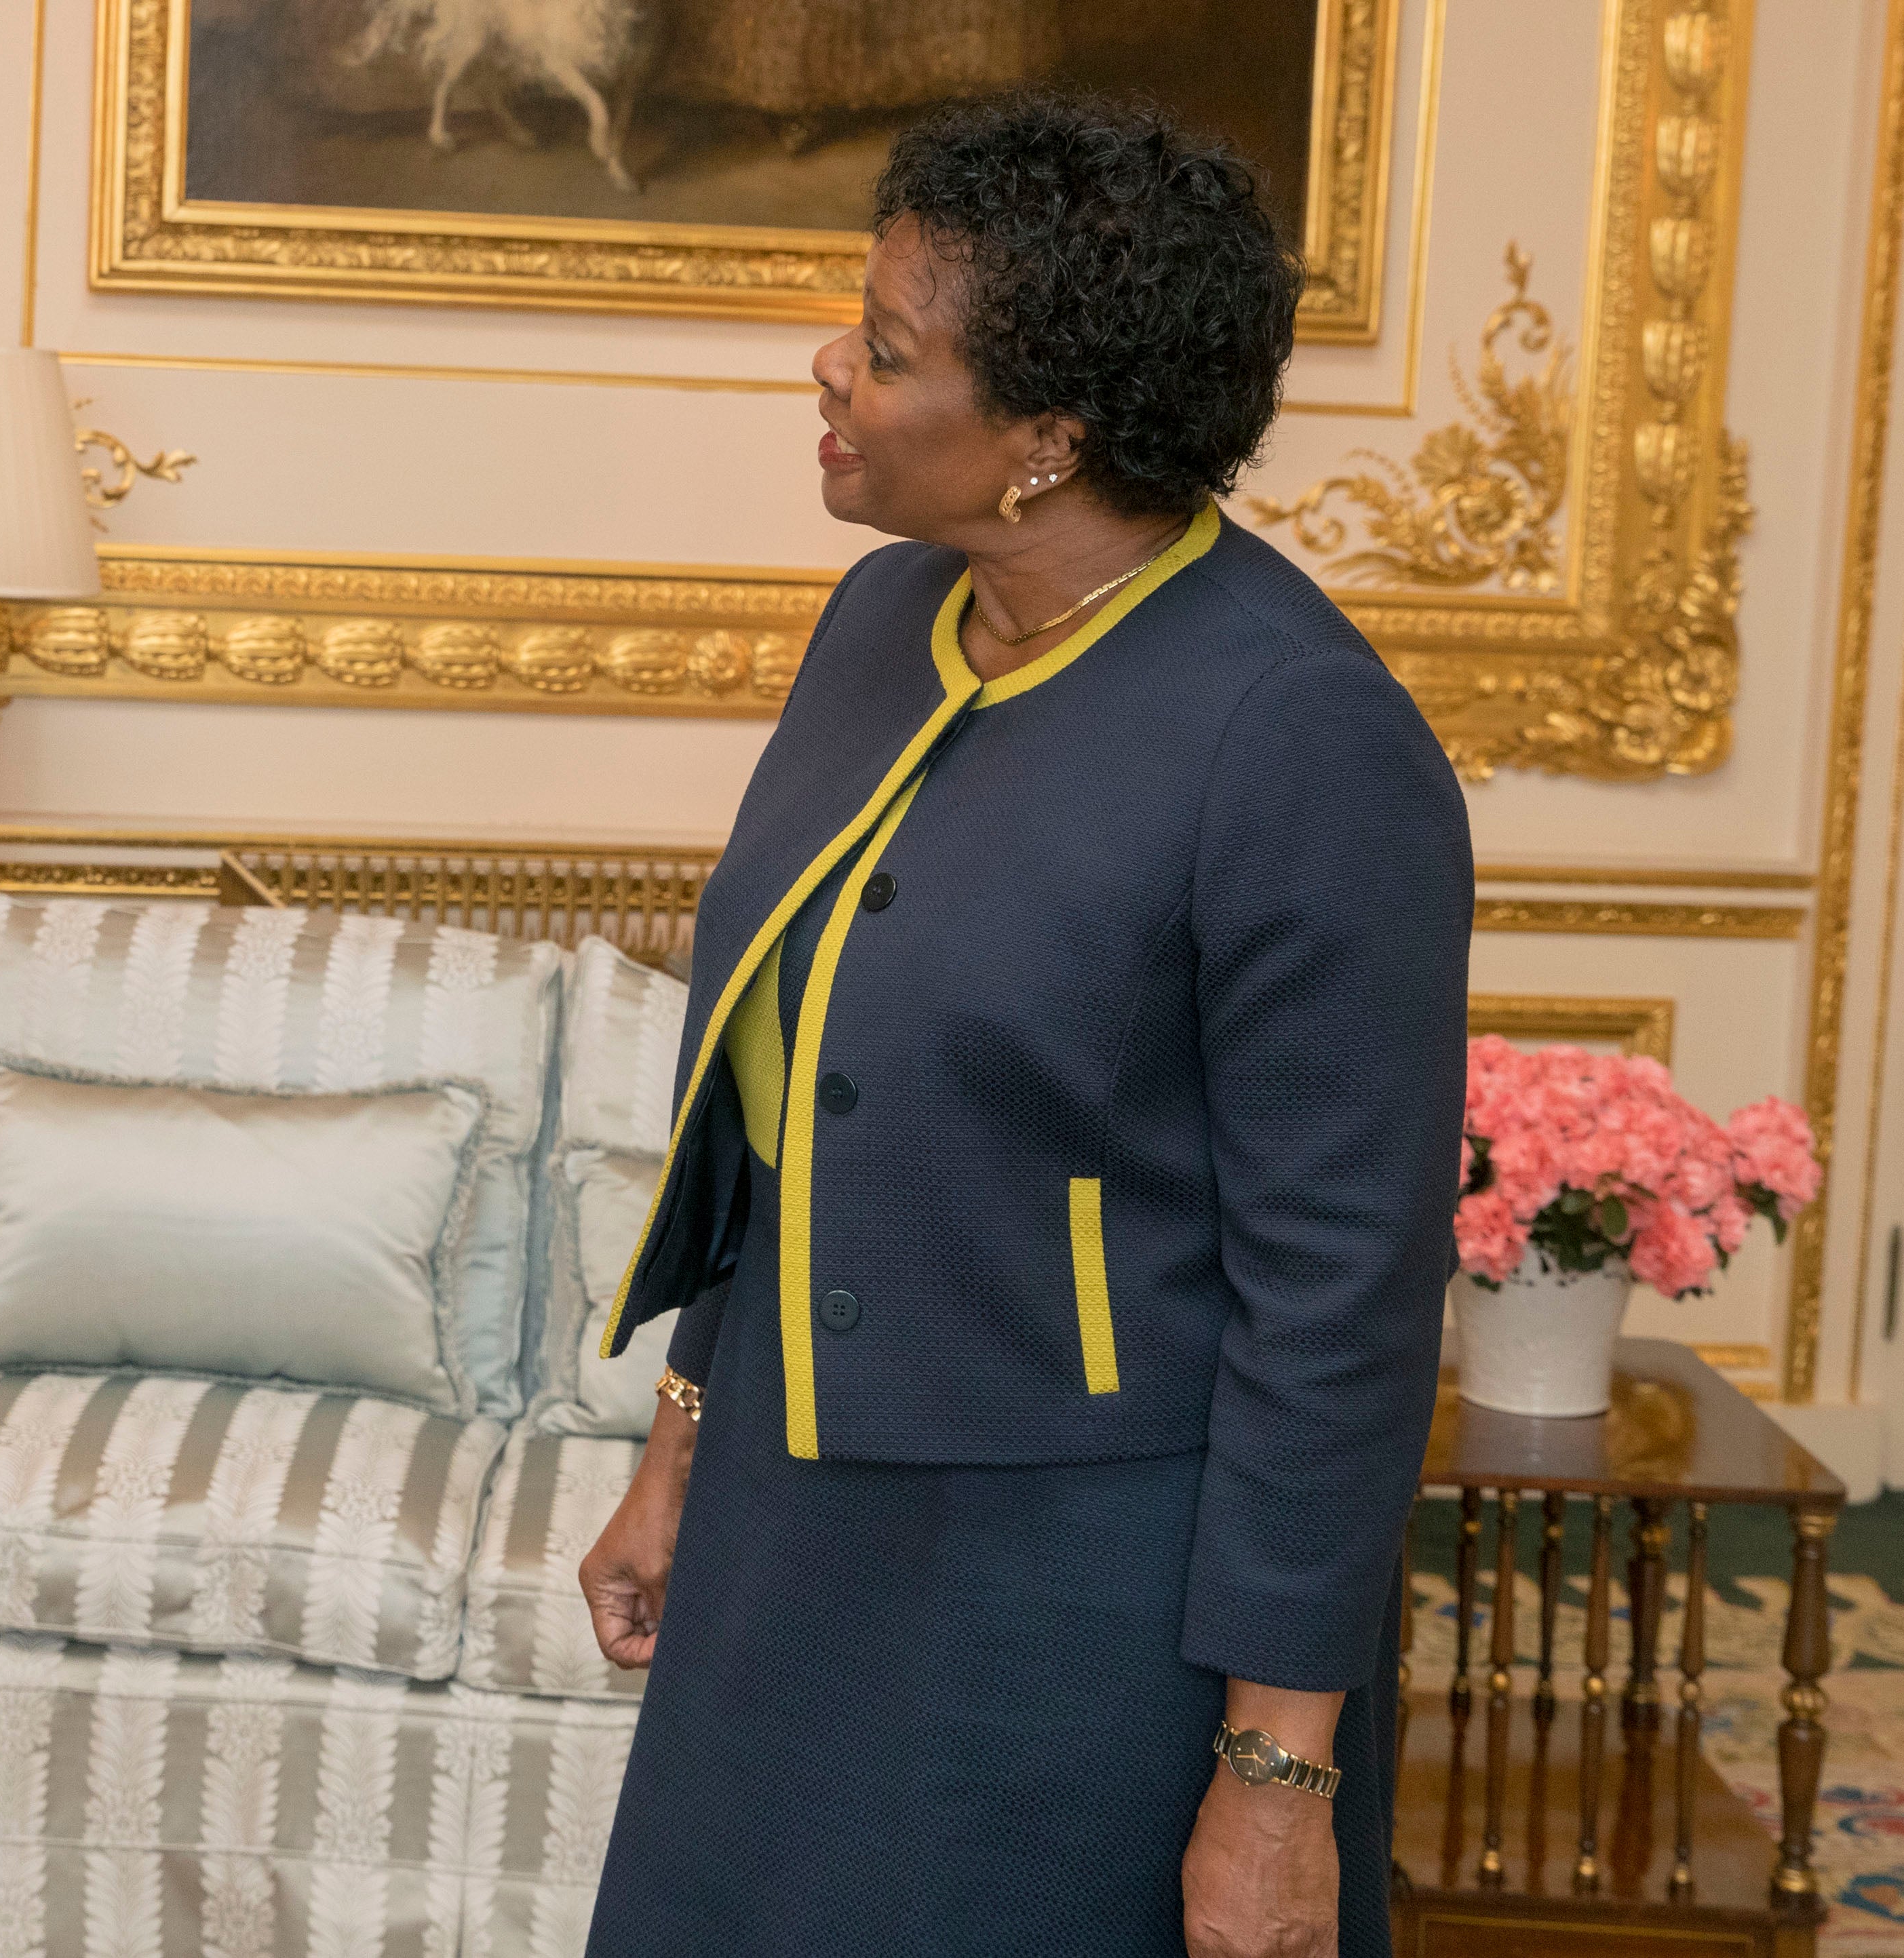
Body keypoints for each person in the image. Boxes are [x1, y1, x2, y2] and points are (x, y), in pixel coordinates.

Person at [578, 92, 1472, 1958]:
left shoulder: (1298, 739)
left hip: (1076, 1620)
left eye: (888, 351)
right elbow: (789, 1102)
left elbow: (1340, 1304)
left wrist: (1274, 1779)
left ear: (1047, 441)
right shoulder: (876, 621)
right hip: (785, 1545)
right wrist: (680, 1440)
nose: (830, 365)